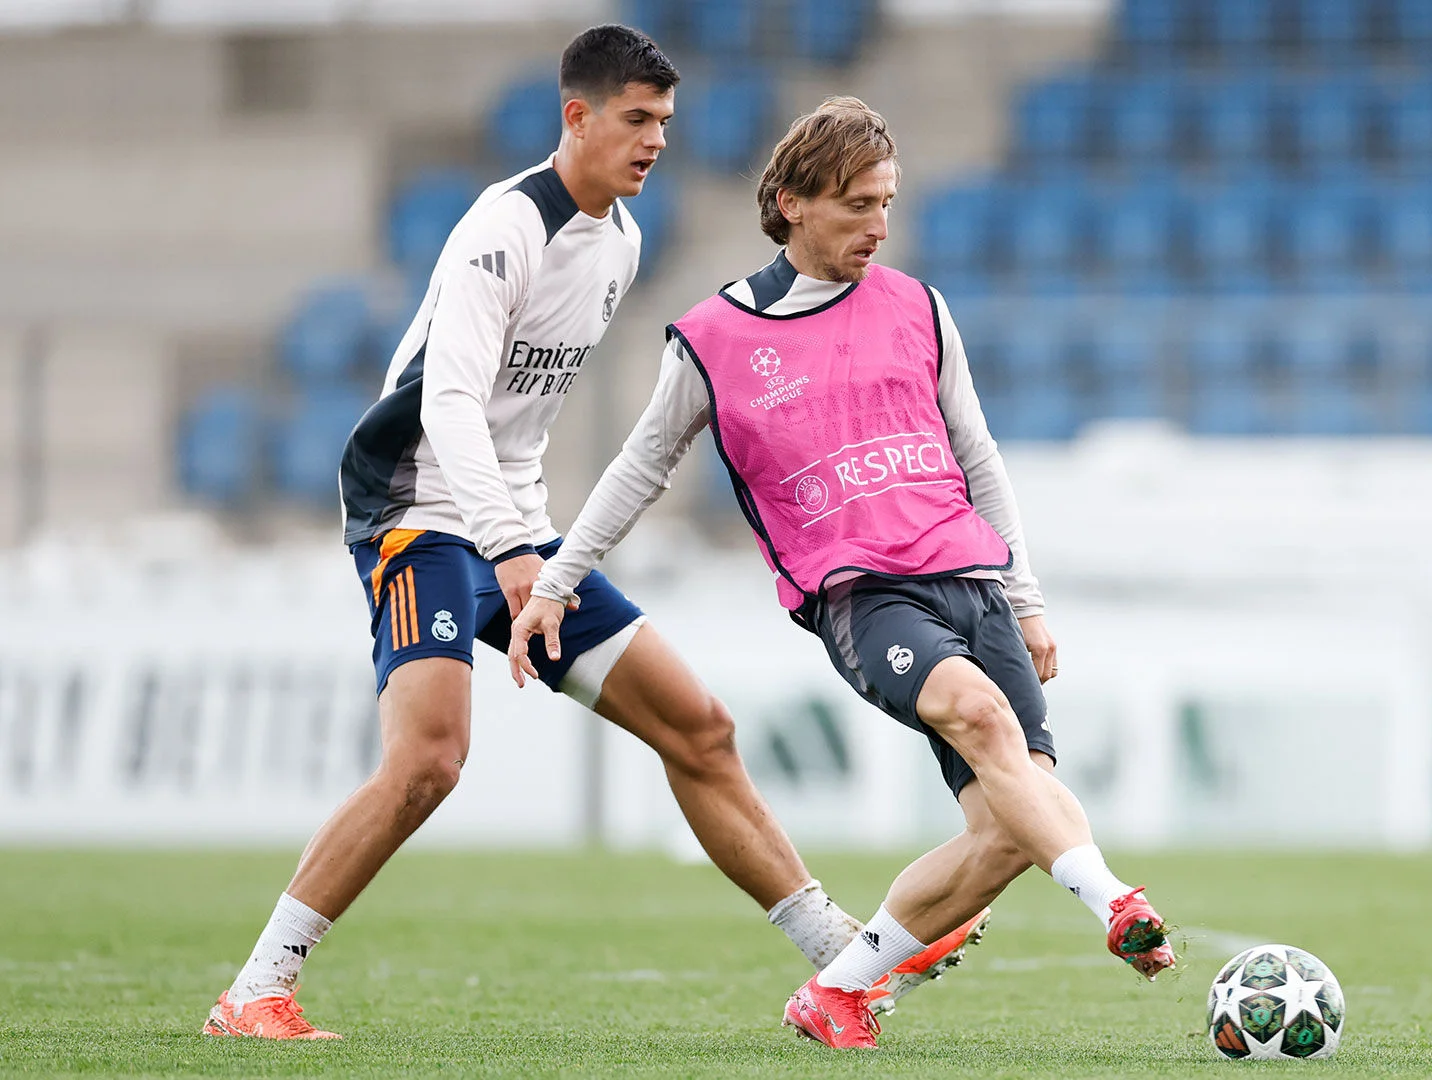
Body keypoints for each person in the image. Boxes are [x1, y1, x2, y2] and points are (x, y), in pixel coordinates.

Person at [203, 29, 976, 1042]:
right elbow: (449, 406)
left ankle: (835, 952)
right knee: (431, 759)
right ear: (578, 115)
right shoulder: (502, 229)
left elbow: (525, 424)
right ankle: (257, 988)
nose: (657, 141)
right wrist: (515, 553)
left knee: (698, 728)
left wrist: (538, 549)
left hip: (514, 524)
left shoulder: (622, 242)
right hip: (417, 519)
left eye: (666, 122)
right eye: (637, 119)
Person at [508, 97, 1176, 1051]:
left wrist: (1025, 599)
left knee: (1005, 831)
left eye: (888, 203)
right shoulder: (714, 338)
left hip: (974, 580)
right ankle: (1117, 904)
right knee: (983, 724)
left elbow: (980, 461)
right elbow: (637, 469)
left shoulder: (919, 306)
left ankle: (839, 991)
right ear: (793, 203)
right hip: (864, 597)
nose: (880, 225)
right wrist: (557, 583)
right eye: (859, 205)